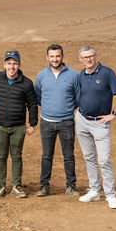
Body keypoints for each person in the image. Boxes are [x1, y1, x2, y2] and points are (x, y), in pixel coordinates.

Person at [76, 45, 116, 209]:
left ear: (96, 56)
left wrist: (114, 113)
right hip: (82, 121)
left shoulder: (106, 73)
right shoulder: (81, 75)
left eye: (91, 56)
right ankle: (94, 191)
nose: (89, 59)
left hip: (100, 124)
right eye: (85, 57)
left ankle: (111, 196)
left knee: (104, 160)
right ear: (81, 59)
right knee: (89, 157)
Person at [34, 44, 80, 197]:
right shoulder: (41, 76)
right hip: (47, 122)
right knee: (47, 155)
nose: (55, 59)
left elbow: (78, 97)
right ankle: (44, 186)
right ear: (47, 57)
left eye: (58, 56)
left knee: (68, 155)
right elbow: (38, 97)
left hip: (66, 122)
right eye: (52, 56)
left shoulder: (73, 75)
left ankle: (71, 186)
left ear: (62, 56)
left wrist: (66, 110)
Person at [0, 51, 38, 198]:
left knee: (16, 156)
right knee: (1, 156)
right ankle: (0, 186)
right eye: (9, 63)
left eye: (15, 63)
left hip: (18, 127)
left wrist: (32, 124)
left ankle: (16, 186)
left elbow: (32, 104)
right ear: (4, 64)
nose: (12, 66)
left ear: (19, 65)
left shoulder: (27, 83)